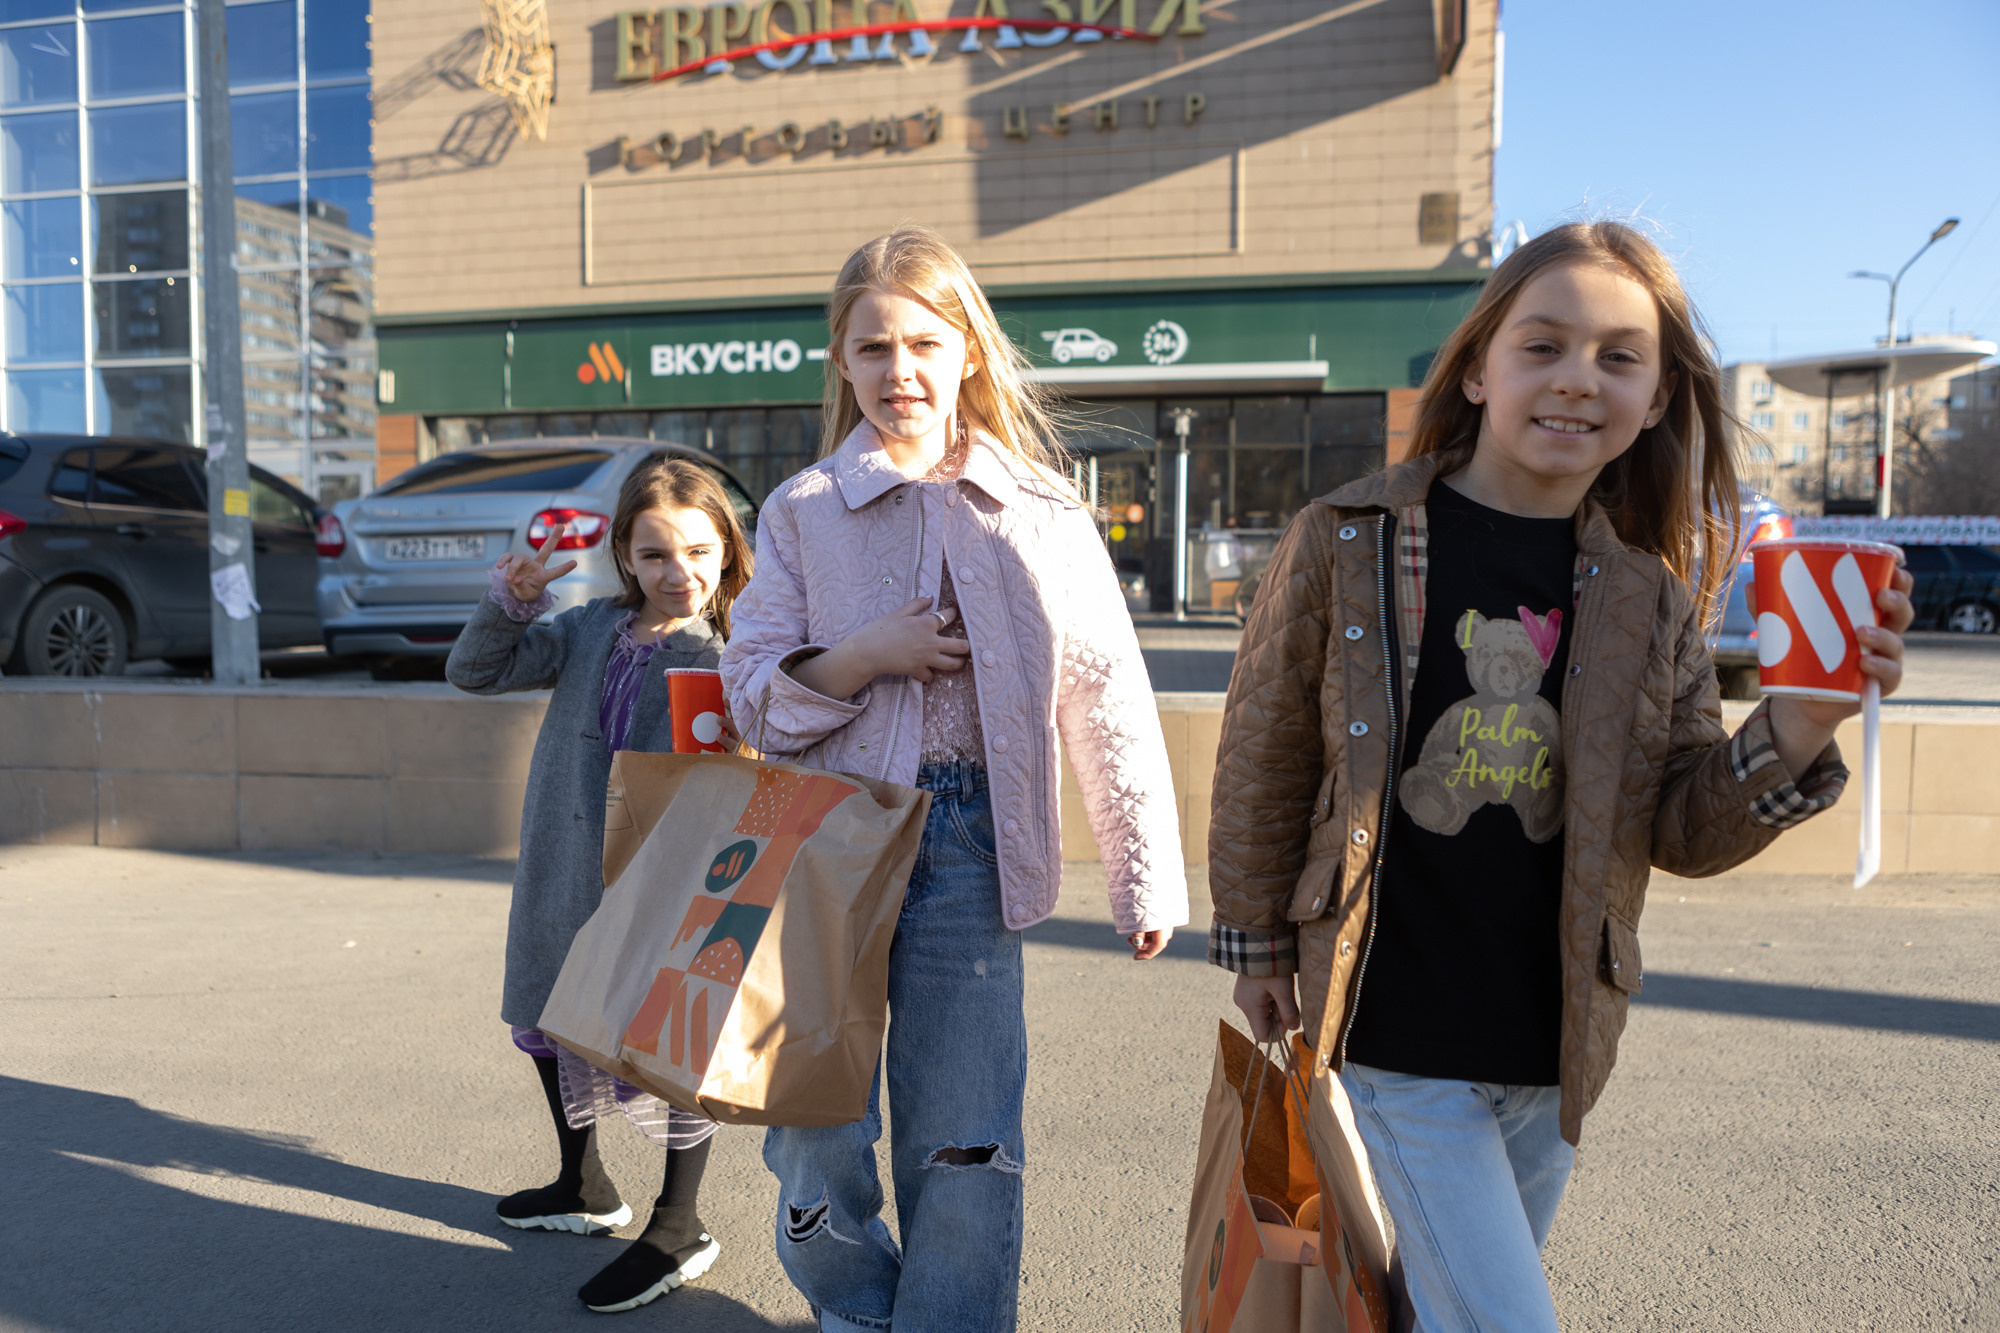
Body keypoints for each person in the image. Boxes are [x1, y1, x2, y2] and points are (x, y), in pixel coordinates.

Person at [1206, 220, 1915, 1331]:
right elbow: (1264, 750)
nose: (1576, 379)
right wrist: (1252, 942)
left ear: (1657, 396)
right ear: (1480, 365)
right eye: (1542, 345)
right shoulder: (1347, 536)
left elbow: (1679, 823)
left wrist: (1797, 726)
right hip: (1388, 1023)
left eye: (1617, 357)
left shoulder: (1645, 592)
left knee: (1430, 1308)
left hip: (1553, 1045)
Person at [718, 225, 1187, 1333]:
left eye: (924, 342)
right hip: (825, 838)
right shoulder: (801, 510)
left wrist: (1143, 876)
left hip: (971, 845)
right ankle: (863, 1305)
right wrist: (862, 657)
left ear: (968, 349)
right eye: (872, 347)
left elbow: (1105, 695)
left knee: (964, 1136)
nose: (900, 372)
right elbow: (748, 692)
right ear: (840, 361)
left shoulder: (1041, 509)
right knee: (809, 1132)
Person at [446, 457, 754, 1314]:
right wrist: (507, 602)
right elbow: (476, 672)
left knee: (672, 1040)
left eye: (699, 549)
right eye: (655, 554)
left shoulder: (736, 647)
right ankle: (582, 1183)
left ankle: (678, 1221)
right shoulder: (587, 630)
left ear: (728, 548)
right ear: (624, 555)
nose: (679, 572)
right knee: (548, 1010)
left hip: (669, 876)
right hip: (564, 867)